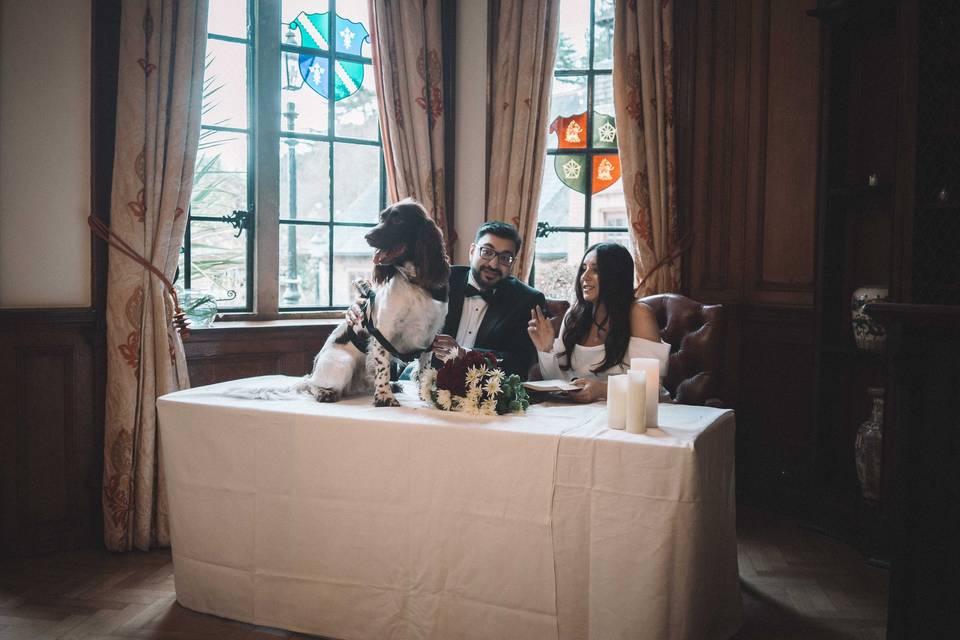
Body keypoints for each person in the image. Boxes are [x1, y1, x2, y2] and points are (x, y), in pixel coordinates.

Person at [349, 220, 546, 379]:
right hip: (418, 380)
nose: (494, 264)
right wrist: (364, 314)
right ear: (472, 251)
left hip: (485, 394)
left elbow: (518, 363)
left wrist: (465, 355)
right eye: (487, 252)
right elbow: (391, 316)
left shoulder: (527, 300)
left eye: (505, 258)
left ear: (513, 262)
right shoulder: (435, 280)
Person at [526, 242, 670, 404]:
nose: (584, 276)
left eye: (595, 270)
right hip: (584, 415)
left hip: (637, 413)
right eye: (583, 269)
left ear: (615, 275)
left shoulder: (638, 314)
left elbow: (652, 387)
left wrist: (602, 390)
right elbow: (561, 383)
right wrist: (545, 350)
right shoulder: (574, 315)